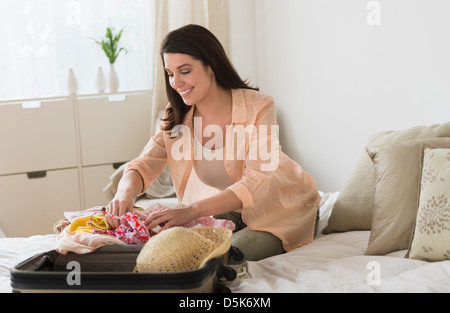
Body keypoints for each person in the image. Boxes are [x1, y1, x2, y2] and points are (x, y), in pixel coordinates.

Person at [106, 24, 321, 262]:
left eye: (185, 71)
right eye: (170, 73)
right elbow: (143, 165)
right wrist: (124, 194)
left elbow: (260, 178)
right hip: (226, 209)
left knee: (216, 256)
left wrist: (191, 211)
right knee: (165, 246)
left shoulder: (259, 106)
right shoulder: (176, 115)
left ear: (211, 65)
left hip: (281, 208)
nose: (176, 82)